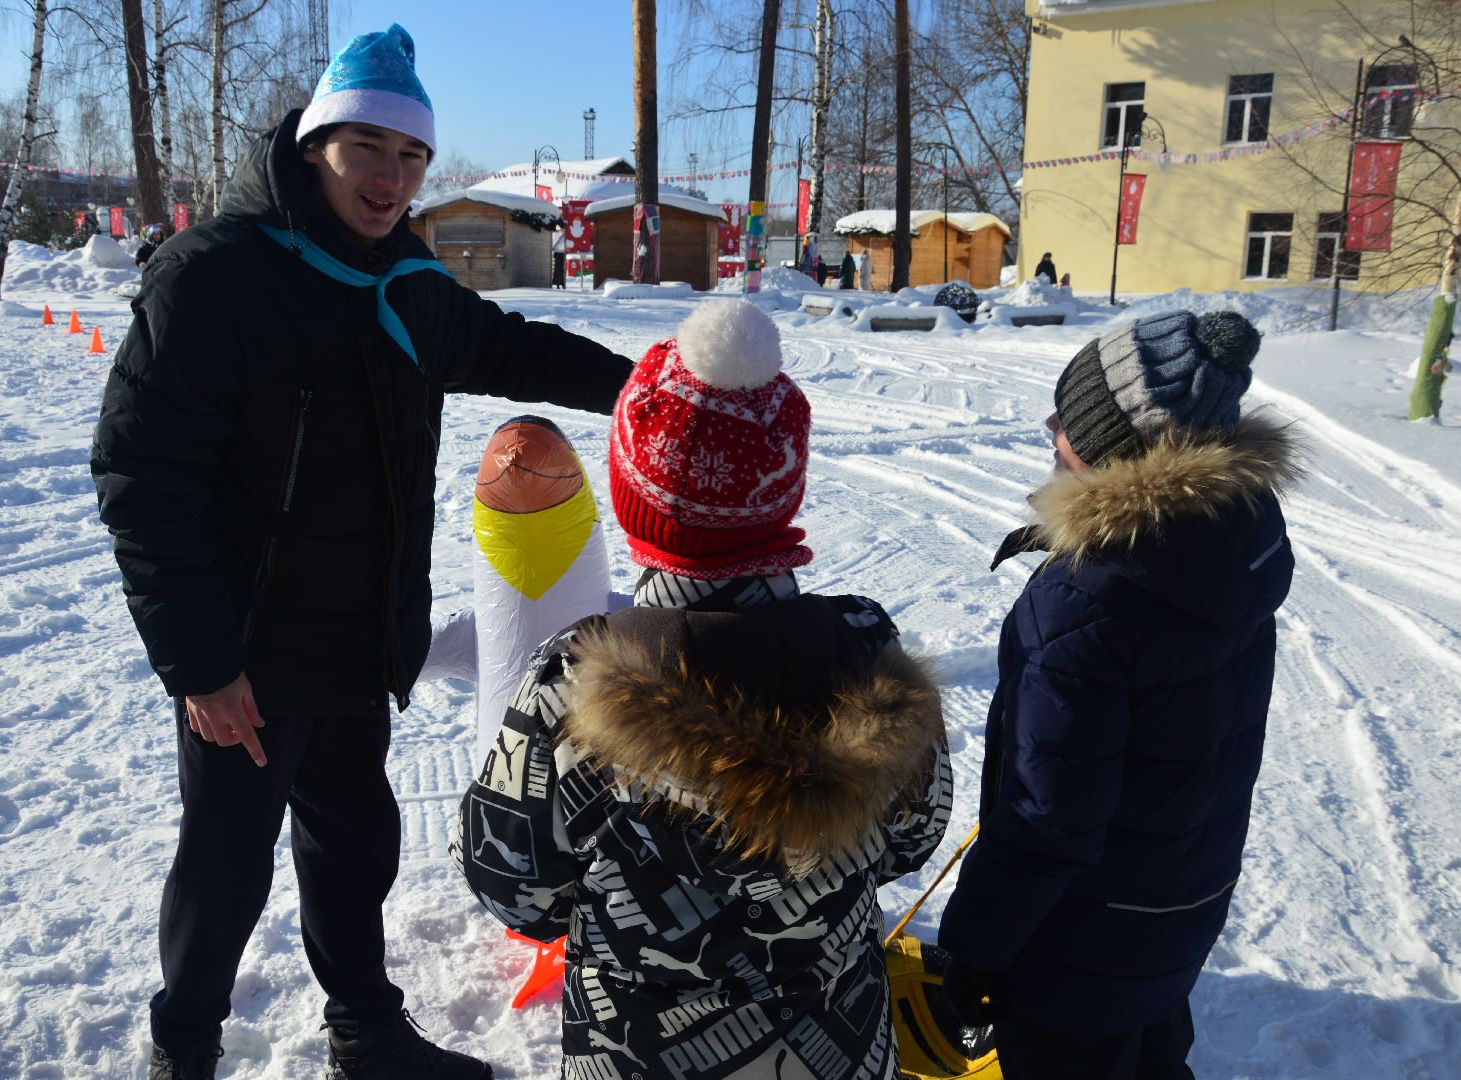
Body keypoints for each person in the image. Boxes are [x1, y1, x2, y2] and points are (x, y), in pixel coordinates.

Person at [90, 24, 634, 1080]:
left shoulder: (405, 284)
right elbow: (142, 479)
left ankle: (365, 1031)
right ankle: (182, 1052)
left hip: (353, 641)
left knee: (353, 847)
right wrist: (199, 662)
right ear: (314, 146)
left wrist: (649, 386)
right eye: (368, 151)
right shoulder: (216, 278)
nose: (390, 180)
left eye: (412, 159)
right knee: (227, 861)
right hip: (245, 650)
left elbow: (511, 347)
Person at [454, 299, 954, 1079]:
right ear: (781, 497)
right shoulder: (870, 653)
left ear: (633, 501)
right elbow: (912, 838)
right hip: (837, 1054)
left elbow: (514, 886)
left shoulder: (575, 680)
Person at [936, 310, 1300, 1080]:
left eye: (1066, 421)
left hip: (1077, 948)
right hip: (1179, 904)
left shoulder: (1090, 601)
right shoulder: (1240, 533)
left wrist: (973, 952)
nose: (1050, 431)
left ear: (1110, 449)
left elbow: (1047, 821)